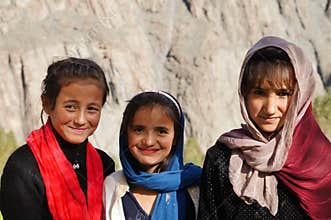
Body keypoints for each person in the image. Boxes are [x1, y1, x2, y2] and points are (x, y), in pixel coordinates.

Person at [198, 36, 331, 220]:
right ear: (244, 94)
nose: (270, 108)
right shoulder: (221, 159)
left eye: (283, 93)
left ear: (301, 97)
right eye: (259, 93)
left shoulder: (323, 163)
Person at [0, 57, 115, 220]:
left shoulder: (104, 165)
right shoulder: (24, 168)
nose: (81, 120)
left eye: (92, 109)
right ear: (47, 104)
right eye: (70, 107)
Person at [103, 91, 202, 220]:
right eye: (139, 130)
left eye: (161, 131)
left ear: (176, 138)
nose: (149, 141)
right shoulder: (113, 186)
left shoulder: (195, 185)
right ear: (125, 133)